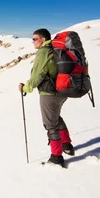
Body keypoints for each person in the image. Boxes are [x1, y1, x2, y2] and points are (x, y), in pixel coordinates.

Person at [18, 28, 74, 167]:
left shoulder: (44, 52)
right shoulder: (54, 48)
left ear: (43, 39)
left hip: (49, 94)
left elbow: (38, 75)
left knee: (50, 124)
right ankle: (67, 145)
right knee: (56, 118)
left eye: (35, 39)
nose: (33, 42)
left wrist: (25, 88)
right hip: (62, 91)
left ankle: (56, 157)